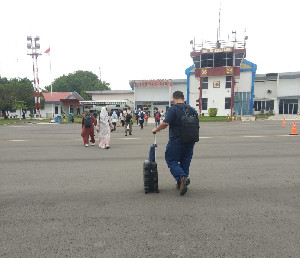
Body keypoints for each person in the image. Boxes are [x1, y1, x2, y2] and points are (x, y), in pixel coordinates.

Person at [152, 91, 198, 196]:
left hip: (177, 140)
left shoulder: (173, 109)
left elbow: (165, 123)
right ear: (183, 98)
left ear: (174, 98)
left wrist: (155, 129)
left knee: (171, 160)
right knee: (185, 162)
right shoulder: (192, 110)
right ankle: (180, 184)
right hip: (190, 141)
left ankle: (181, 178)